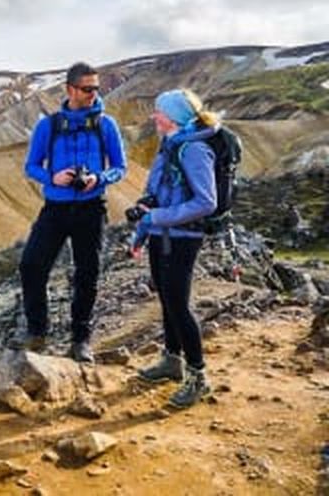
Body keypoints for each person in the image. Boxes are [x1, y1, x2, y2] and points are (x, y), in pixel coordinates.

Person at [17, 62, 127, 362]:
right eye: (87, 89)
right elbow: (31, 166)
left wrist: (99, 178)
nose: (94, 94)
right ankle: (37, 331)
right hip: (55, 209)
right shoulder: (48, 126)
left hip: (92, 208)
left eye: (96, 88)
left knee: (87, 273)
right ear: (70, 89)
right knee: (31, 266)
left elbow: (120, 167)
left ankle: (81, 340)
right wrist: (51, 177)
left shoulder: (106, 125)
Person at [130, 88, 218, 408]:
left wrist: (156, 217)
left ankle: (198, 376)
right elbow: (154, 196)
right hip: (161, 235)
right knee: (167, 301)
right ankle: (171, 360)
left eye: (160, 112)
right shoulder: (169, 145)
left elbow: (206, 202)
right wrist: (142, 232)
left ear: (175, 117)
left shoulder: (193, 150)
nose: (155, 116)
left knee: (178, 305)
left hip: (182, 239)